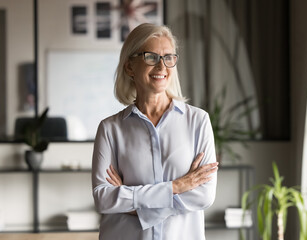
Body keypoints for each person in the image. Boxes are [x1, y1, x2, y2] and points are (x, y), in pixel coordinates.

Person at [92, 23, 218, 240]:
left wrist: (132, 204)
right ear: (130, 66)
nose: (162, 67)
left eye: (168, 57)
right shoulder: (110, 129)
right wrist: (177, 186)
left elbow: (203, 195)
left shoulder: (198, 121)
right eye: (151, 57)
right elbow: (103, 198)